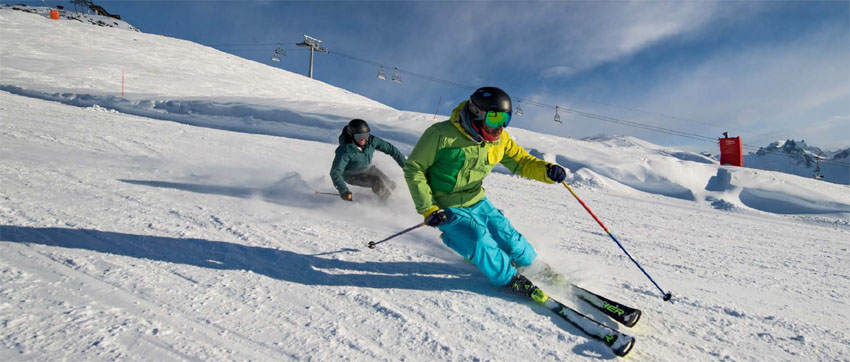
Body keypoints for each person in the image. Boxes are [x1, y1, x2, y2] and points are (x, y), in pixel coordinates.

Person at [403, 86, 567, 301]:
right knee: (479, 239)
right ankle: (508, 279)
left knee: (509, 239)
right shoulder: (440, 134)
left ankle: (533, 267)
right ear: (476, 114)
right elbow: (414, 168)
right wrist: (428, 208)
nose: (500, 127)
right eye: (494, 118)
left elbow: (521, 162)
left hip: (477, 199)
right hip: (445, 204)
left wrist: (546, 170)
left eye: (505, 119)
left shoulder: (500, 140)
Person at [330, 118, 406, 202]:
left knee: (390, 185)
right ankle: (387, 204)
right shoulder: (345, 150)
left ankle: (397, 198)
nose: (363, 139)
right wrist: (344, 191)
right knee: (377, 182)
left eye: (365, 135)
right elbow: (335, 172)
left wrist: (405, 166)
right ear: (352, 135)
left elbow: (392, 150)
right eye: (359, 136)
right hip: (352, 175)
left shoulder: (371, 141)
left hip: (368, 169)